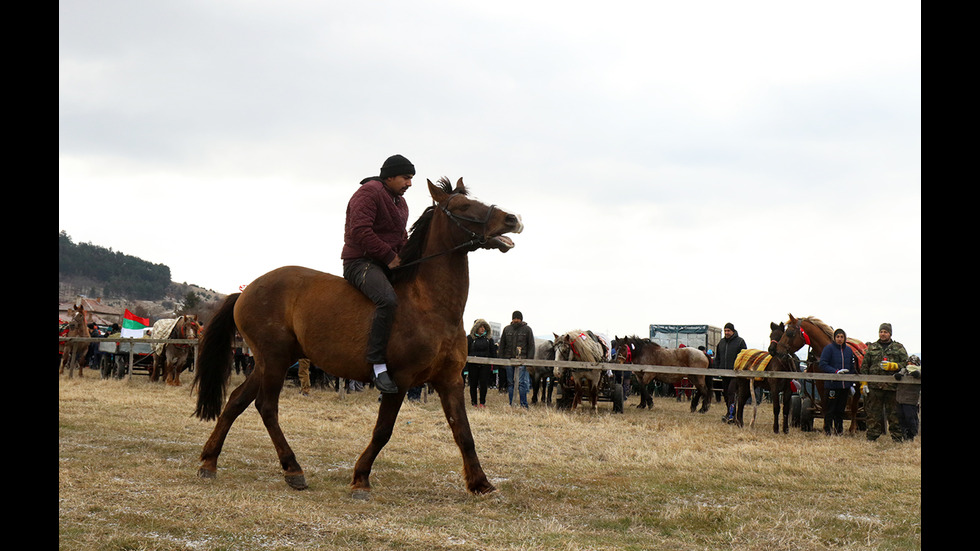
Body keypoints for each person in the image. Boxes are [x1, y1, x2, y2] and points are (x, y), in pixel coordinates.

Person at [341, 154, 415, 394]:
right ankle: (378, 366)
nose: (409, 184)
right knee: (387, 300)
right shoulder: (369, 192)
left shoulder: (400, 203)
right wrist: (389, 256)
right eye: (406, 178)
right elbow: (360, 230)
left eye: (411, 178)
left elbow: (400, 237)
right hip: (359, 262)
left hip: (384, 264)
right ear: (390, 176)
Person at [862, 322, 909, 442]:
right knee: (873, 413)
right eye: (881, 332)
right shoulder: (871, 347)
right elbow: (865, 366)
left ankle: (897, 437)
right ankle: (872, 436)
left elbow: (906, 364)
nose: (883, 334)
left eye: (885, 332)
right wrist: (864, 383)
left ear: (890, 334)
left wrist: (894, 366)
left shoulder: (898, 347)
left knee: (894, 414)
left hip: (892, 387)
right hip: (874, 387)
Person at [818, 328, 856, 436]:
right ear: (834, 338)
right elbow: (823, 364)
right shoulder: (828, 349)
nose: (840, 339)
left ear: (844, 338)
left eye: (842, 337)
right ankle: (828, 430)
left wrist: (851, 383)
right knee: (830, 409)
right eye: (838, 337)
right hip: (832, 385)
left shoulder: (848, 350)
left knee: (840, 409)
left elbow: (851, 367)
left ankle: (839, 430)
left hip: (844, 386)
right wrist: (835, 371)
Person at [498, 311, 535, 408]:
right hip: (509, 359)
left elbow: (531, 346)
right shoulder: (507, 329)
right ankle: (512, 404)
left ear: (521, 319)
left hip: (522, 360)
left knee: (522, 383)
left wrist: (529, 361)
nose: (516, 320)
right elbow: (502, 345)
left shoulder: (527, 330)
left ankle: (523, 405)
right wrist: (501, 360)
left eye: (518, 318)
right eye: (514, 318)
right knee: (510, 383)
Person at [715, 322, 747, 423]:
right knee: (725, 393)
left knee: (731, 392)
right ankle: (729, 412)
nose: (726, 332)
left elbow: (744, 357)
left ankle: (732, 415)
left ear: (733, 331)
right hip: (724, 373)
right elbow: (718, 357)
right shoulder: (721, 343)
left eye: (728, 330)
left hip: (736, 374)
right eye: (725, 331)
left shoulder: (740, 342)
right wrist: (717, 369)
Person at [467, 319, 497, 408]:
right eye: (480, 327)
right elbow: (466, 352)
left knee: (483, 384)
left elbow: (493, 353)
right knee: (473, 384)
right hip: (473, 365)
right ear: (476, 328)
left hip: (485, 366)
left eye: (484, 327)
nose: (482, 329)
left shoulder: (489, 339)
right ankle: (474, 403)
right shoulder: (470, 338)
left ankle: (482, 403)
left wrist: (495, 367)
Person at [894, 354, 921, 441]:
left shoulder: (918, 371)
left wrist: (917, 375)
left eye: (912, 363)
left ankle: (912, 435)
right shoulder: (904, 370)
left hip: (911, 400)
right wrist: (896, 376)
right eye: (908, 363)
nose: (910, 365)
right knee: (901, 418)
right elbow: (897, 375)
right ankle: (904, 434)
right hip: (900, 398)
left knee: (911, 417)